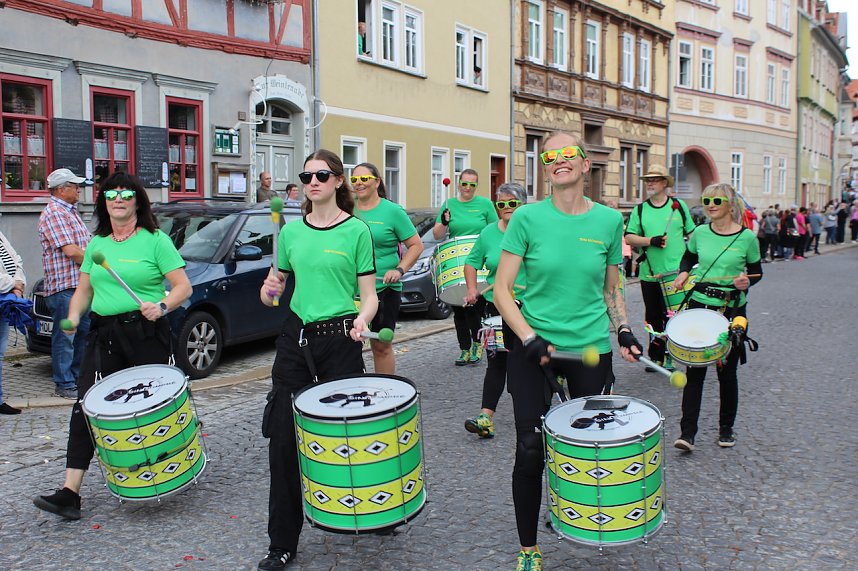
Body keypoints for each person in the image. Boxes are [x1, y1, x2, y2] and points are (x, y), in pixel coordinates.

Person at [493, 132, 643, 571]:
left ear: (584, 165)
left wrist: (626, 330)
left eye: (567, 154)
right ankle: (528, 548)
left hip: (591, 349)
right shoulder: (526, 219)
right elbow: (501, 290)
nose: (557, 160)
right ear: (546, 169)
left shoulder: (609, 222)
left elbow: (613, 288)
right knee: (529, 446)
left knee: (584, 445)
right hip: (533, 347)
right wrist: (528, 337)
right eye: (549, 156)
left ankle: (578, 520)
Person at [33, 172, 192, 520]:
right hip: (105, 335)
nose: (118, 200)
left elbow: (183, 287)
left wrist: (163, 305)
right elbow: (84, 291)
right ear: (104, 202)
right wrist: (74, 317)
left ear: (137, 200)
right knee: (86, 407)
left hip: (147, 331)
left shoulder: (155, 240)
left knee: (155, 405)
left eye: (125, 194)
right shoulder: (97, 244)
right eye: (110, 195)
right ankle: (70, 493)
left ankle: (174, 467)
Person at [257, 149, 378, 570]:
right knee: (284, 444)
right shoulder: (290, 233)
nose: (313, 182)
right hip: (296, 341)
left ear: (338, 181)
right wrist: (270, 287)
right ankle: (281, 543)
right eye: (307, 176)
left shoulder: (357, 231)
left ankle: (372, 510)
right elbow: (273, 295)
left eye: (322, 175)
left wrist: (362, 320)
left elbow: (369, 296)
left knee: (351, 437)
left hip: (341, 339)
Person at [672, 183, 762, 452]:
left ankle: (726, 428)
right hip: (700, 305)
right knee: (695, 371)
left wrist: (747, 281)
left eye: (716, 200)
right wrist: (684, 272)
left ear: (730, 204)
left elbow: (756, 272)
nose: (710, 204)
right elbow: (688, 258)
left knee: (727, 373)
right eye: (707, 199)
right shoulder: (700, 232)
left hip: (732, 310)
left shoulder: (747, 238)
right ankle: (687, 434)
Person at [462, 183, 528, 439]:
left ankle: (536, 415)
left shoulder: (531, 230)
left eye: (512, 203)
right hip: (495, 306)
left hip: (528, 307)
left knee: (529, 361)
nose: (507, 208)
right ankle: (485, 417)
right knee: (496, 361)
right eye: (502, 204)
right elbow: (471, 261)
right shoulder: (489, 233)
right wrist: (471, 288)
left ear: (521, 205)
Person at [352, 162, 422, 374]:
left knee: (380, 345)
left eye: (364, 179)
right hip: (350, 289)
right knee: (349, 345)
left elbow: (416, 245)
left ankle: (385, 392)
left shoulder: (392, 211)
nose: (359, 184)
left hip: (384, 287)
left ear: (377, 182)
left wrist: (399, 270)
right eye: (354, 180)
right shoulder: (345, 209)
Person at [624, 164, 695, 371]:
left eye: (655, 179)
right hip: (651, 274)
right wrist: (650, 241)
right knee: (654, 316)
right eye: (648, 180)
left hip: (676, 274)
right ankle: (656, 358)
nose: (650, 183)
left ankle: (675, 354)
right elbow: (628, 237)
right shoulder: (640, 210)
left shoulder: (678, 206)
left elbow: (693, 235)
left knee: (675, 315)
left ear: (665, 183)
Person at [432, 169, 498, 365]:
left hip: (478, 261)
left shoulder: (485, 204)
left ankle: (478, 344)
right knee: (459, 309)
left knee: (475, 307)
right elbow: (437, 235)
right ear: (458, 184)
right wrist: (444, 222)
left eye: (472, 184)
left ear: (476, 186)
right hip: (456, 260)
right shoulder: (448, 204)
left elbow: (495, 230)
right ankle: (464, 348)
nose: (467, 188)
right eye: (464, 183)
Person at [38, 168, 92, 400]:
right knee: (66, 337)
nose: (79, 189)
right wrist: (96, 265)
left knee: (83, 334)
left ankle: (78, 379)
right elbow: (71, 251)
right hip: (64, 288)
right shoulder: (55, 213)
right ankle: (64, 383)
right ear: (61, 189)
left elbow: (86, 245)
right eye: (74, 185)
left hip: (79, 286)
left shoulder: (70, 212)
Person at [0, 230, 26, 414]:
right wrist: (13, 284)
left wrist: (19, 282)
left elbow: (16, 259)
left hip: (5, 297)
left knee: (0, 353)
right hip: (7, 290)